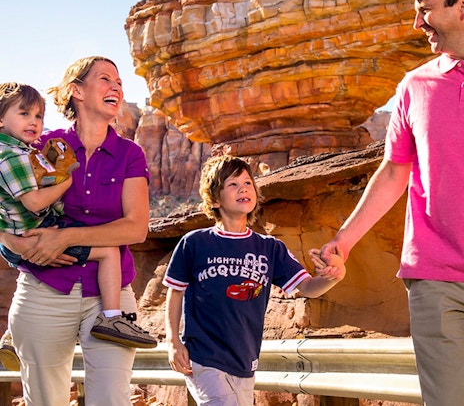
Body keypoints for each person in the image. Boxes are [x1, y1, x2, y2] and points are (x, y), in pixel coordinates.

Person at [320, 0, 464, 406]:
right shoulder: (414, 86)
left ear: (462, 5)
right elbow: (394, 170)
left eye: (426, 6)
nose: (418, 20)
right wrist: (343, 241)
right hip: (436, 276)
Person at [0, 56, 154, 406]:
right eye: (105, 79)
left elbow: (136, 227)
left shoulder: (129, 154)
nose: (116, 86)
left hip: (110, 296)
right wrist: (11, 241)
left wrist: (65, 237)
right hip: (44, 289)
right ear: (77, 91)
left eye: (119, 81)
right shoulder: (45, 147)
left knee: (113, 399)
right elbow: (10, 199)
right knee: (45, 399)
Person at [164, 154, 346, 406]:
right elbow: (175, 292)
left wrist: (332, 277)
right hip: (203, 356)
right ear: (215, 199)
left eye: (248, 183)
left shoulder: (270, 248)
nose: (243, 189)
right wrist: (173, 342)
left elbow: (307, 287)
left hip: (245, 359)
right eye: (233, 184)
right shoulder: (195, 243)